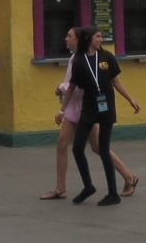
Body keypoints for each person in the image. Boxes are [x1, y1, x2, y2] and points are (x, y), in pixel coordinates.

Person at [41, 42, 139, 199]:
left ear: (80, 40)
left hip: (87, 109)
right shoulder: (76, 58)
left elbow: (82, 87)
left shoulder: (89, 60)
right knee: (62, 144)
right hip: (73, 108)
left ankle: (128, 176)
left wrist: (61, 88)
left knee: (98, 147)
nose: (66, 39)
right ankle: (60, 188)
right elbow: (73, 84)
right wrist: (63, 108)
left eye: (70, 36)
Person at [66, 25, 139, 206]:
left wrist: (131, 99)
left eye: (101, 37)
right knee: (77, 148)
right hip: (89, 108)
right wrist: (62, 109)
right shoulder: (79, 61)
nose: (101, 39)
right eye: (98, 36)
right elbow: (72, 86)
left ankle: (113, 193)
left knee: (104, 149)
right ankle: (88, 186)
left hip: (106, 108)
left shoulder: (107, 57)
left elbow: (116, 82)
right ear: (89, 39)